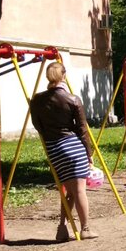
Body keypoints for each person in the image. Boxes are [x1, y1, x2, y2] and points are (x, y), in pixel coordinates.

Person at [30, 62, 97, 241]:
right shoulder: (73, 99)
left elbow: (37, 126)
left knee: (68, 190)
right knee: (80, 190)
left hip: (54, 148)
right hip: (74, 147)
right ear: (64, 76)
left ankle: (62, 228)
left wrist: (51, 136)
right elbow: (83, 129)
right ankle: (86, 228)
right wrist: (88, 154)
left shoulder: (36, 100)